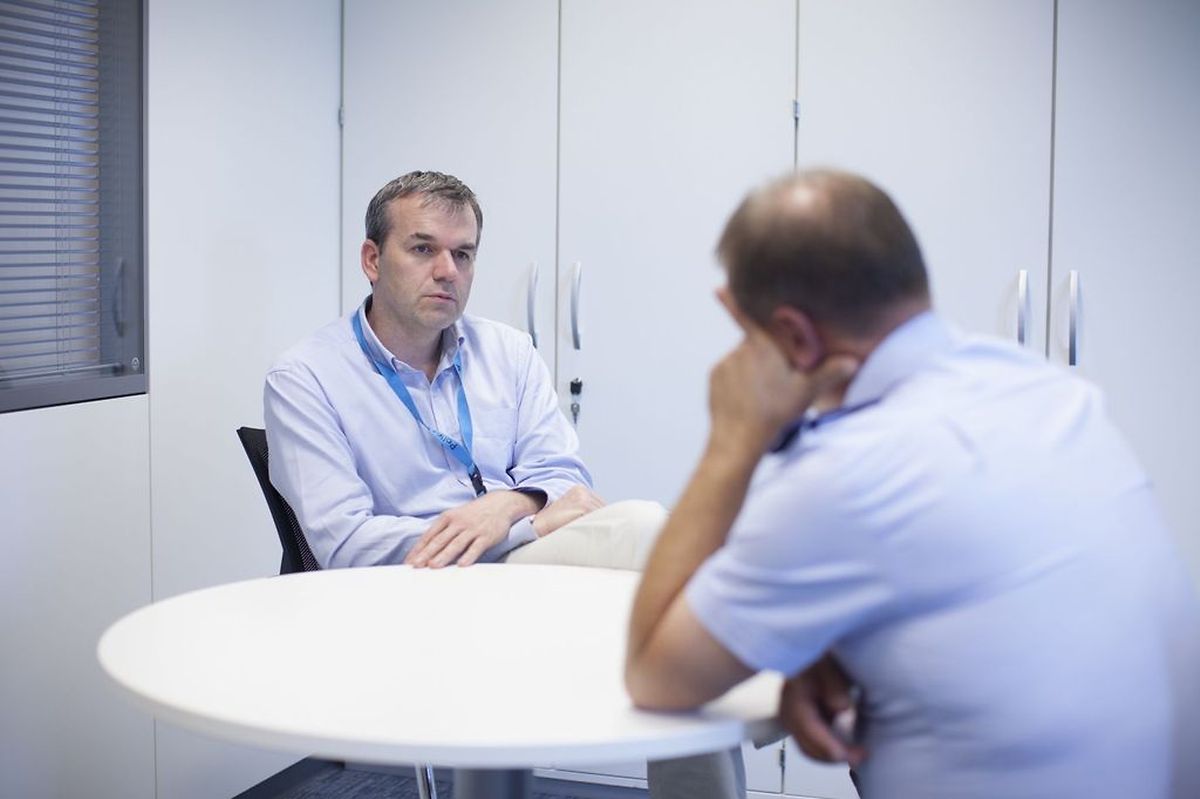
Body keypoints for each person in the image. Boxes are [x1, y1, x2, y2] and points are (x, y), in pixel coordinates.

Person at [625, 169, 1200, 798]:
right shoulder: (1045, 391)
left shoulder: (846, 472)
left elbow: (654, 674)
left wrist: (731, 443)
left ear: (791, 336)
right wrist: (830, 649)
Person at [264, 170, 742, 798]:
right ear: (372, 259)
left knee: (656, 551)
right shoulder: (307, 377)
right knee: (648, 531)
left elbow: (565, 477)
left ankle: (734, 703)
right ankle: (765, 691)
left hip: (518, 568)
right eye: (423, 248)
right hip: (405, 587)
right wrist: (529, 520)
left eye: (463, 254)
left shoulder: (508, 351)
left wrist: (506, 508)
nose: (448, 270)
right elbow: (346, 545)